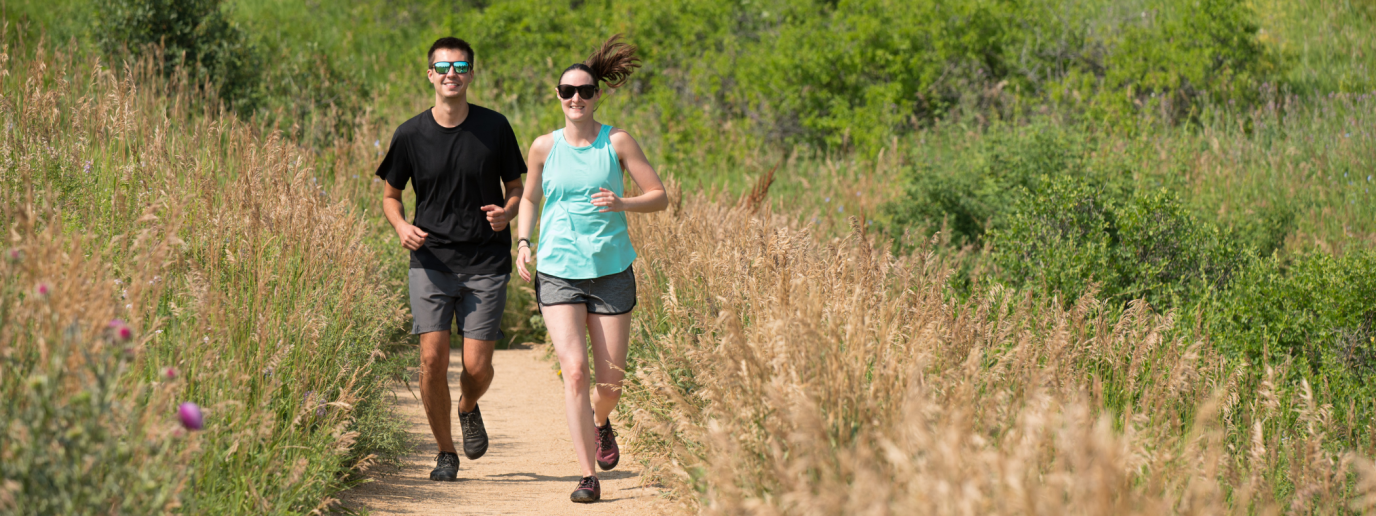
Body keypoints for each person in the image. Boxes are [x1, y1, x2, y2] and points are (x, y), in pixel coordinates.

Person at [514, 34, 668, 504]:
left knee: (610, 384)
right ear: (558, 96)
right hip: (558, 270)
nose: (575, 98)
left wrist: (623, 203)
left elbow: (659, 196)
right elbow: (530, 197)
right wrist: (523, 242)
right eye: (568, 91)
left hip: (610, 270)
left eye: (584, 91)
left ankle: (602, 421)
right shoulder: (544, 147)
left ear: (597, 95)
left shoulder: (616, 141)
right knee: (576, 372)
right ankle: (586, 476)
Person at [376, 36, 526, 482]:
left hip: (486, 260)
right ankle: (445, 453)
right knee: (432, 360)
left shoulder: (494, 127)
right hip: (431, 261)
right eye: (443, 67)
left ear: (471, 75)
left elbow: (515, 187)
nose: (451, 74)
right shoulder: (410, 134)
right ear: (430, 75)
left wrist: (508, 212)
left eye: (460, 67)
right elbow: (390, 196)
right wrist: (401, 226)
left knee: (477, 368)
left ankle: (468, 405)